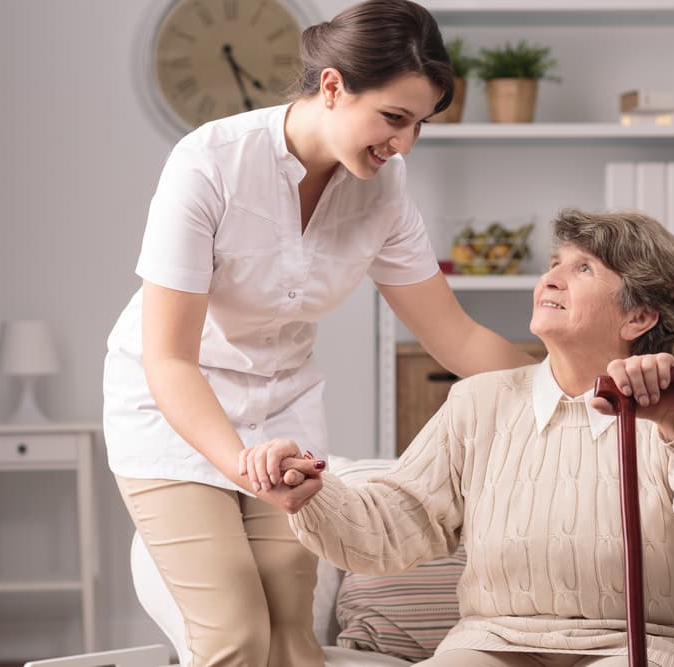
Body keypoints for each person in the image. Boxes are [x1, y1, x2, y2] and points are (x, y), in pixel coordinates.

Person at [102, 1, 534, 664]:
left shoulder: (383, 189)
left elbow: (457, 338)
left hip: (283, 412)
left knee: (296, 641)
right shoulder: (209, 164)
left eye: (419, 124)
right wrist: (242, 463)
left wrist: (573, 386)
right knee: (237, 633)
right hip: (174, 410)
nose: (405, 143)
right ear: (332, 87)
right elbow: (170, 360)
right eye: (394, 117)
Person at [245, 209, 674, 667]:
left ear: (639, 317)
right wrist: (314, 493)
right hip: (499, 639)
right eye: (554, 265)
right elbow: (396, 521)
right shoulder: (479, 402)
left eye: (582, 270)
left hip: (664, 643)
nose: (550, 279)